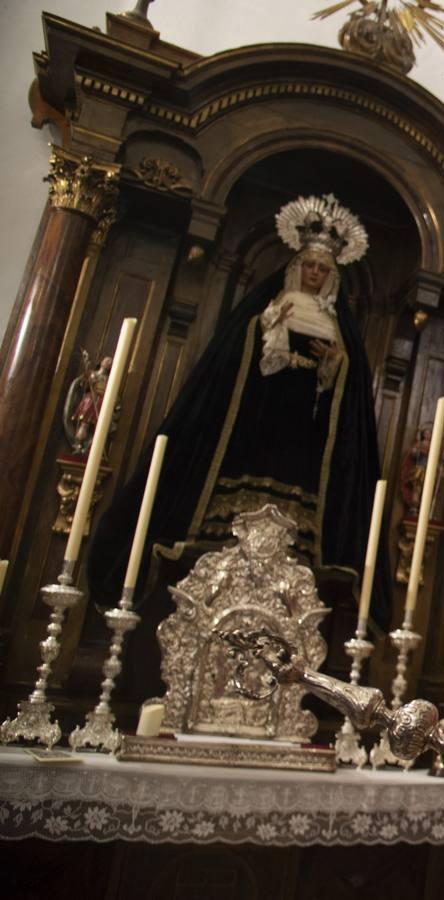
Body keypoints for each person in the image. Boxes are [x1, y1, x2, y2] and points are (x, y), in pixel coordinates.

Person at [87, 194, 390, 628]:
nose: (316, 274)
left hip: (301, 434)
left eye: (324, 269)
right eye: (310, 266)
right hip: (253, 424)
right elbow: (229, 363)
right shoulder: (266, 310)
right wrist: (266, 330)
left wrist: (333, 364)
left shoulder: (339, 327)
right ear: (296, 266)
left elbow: (349, 398)